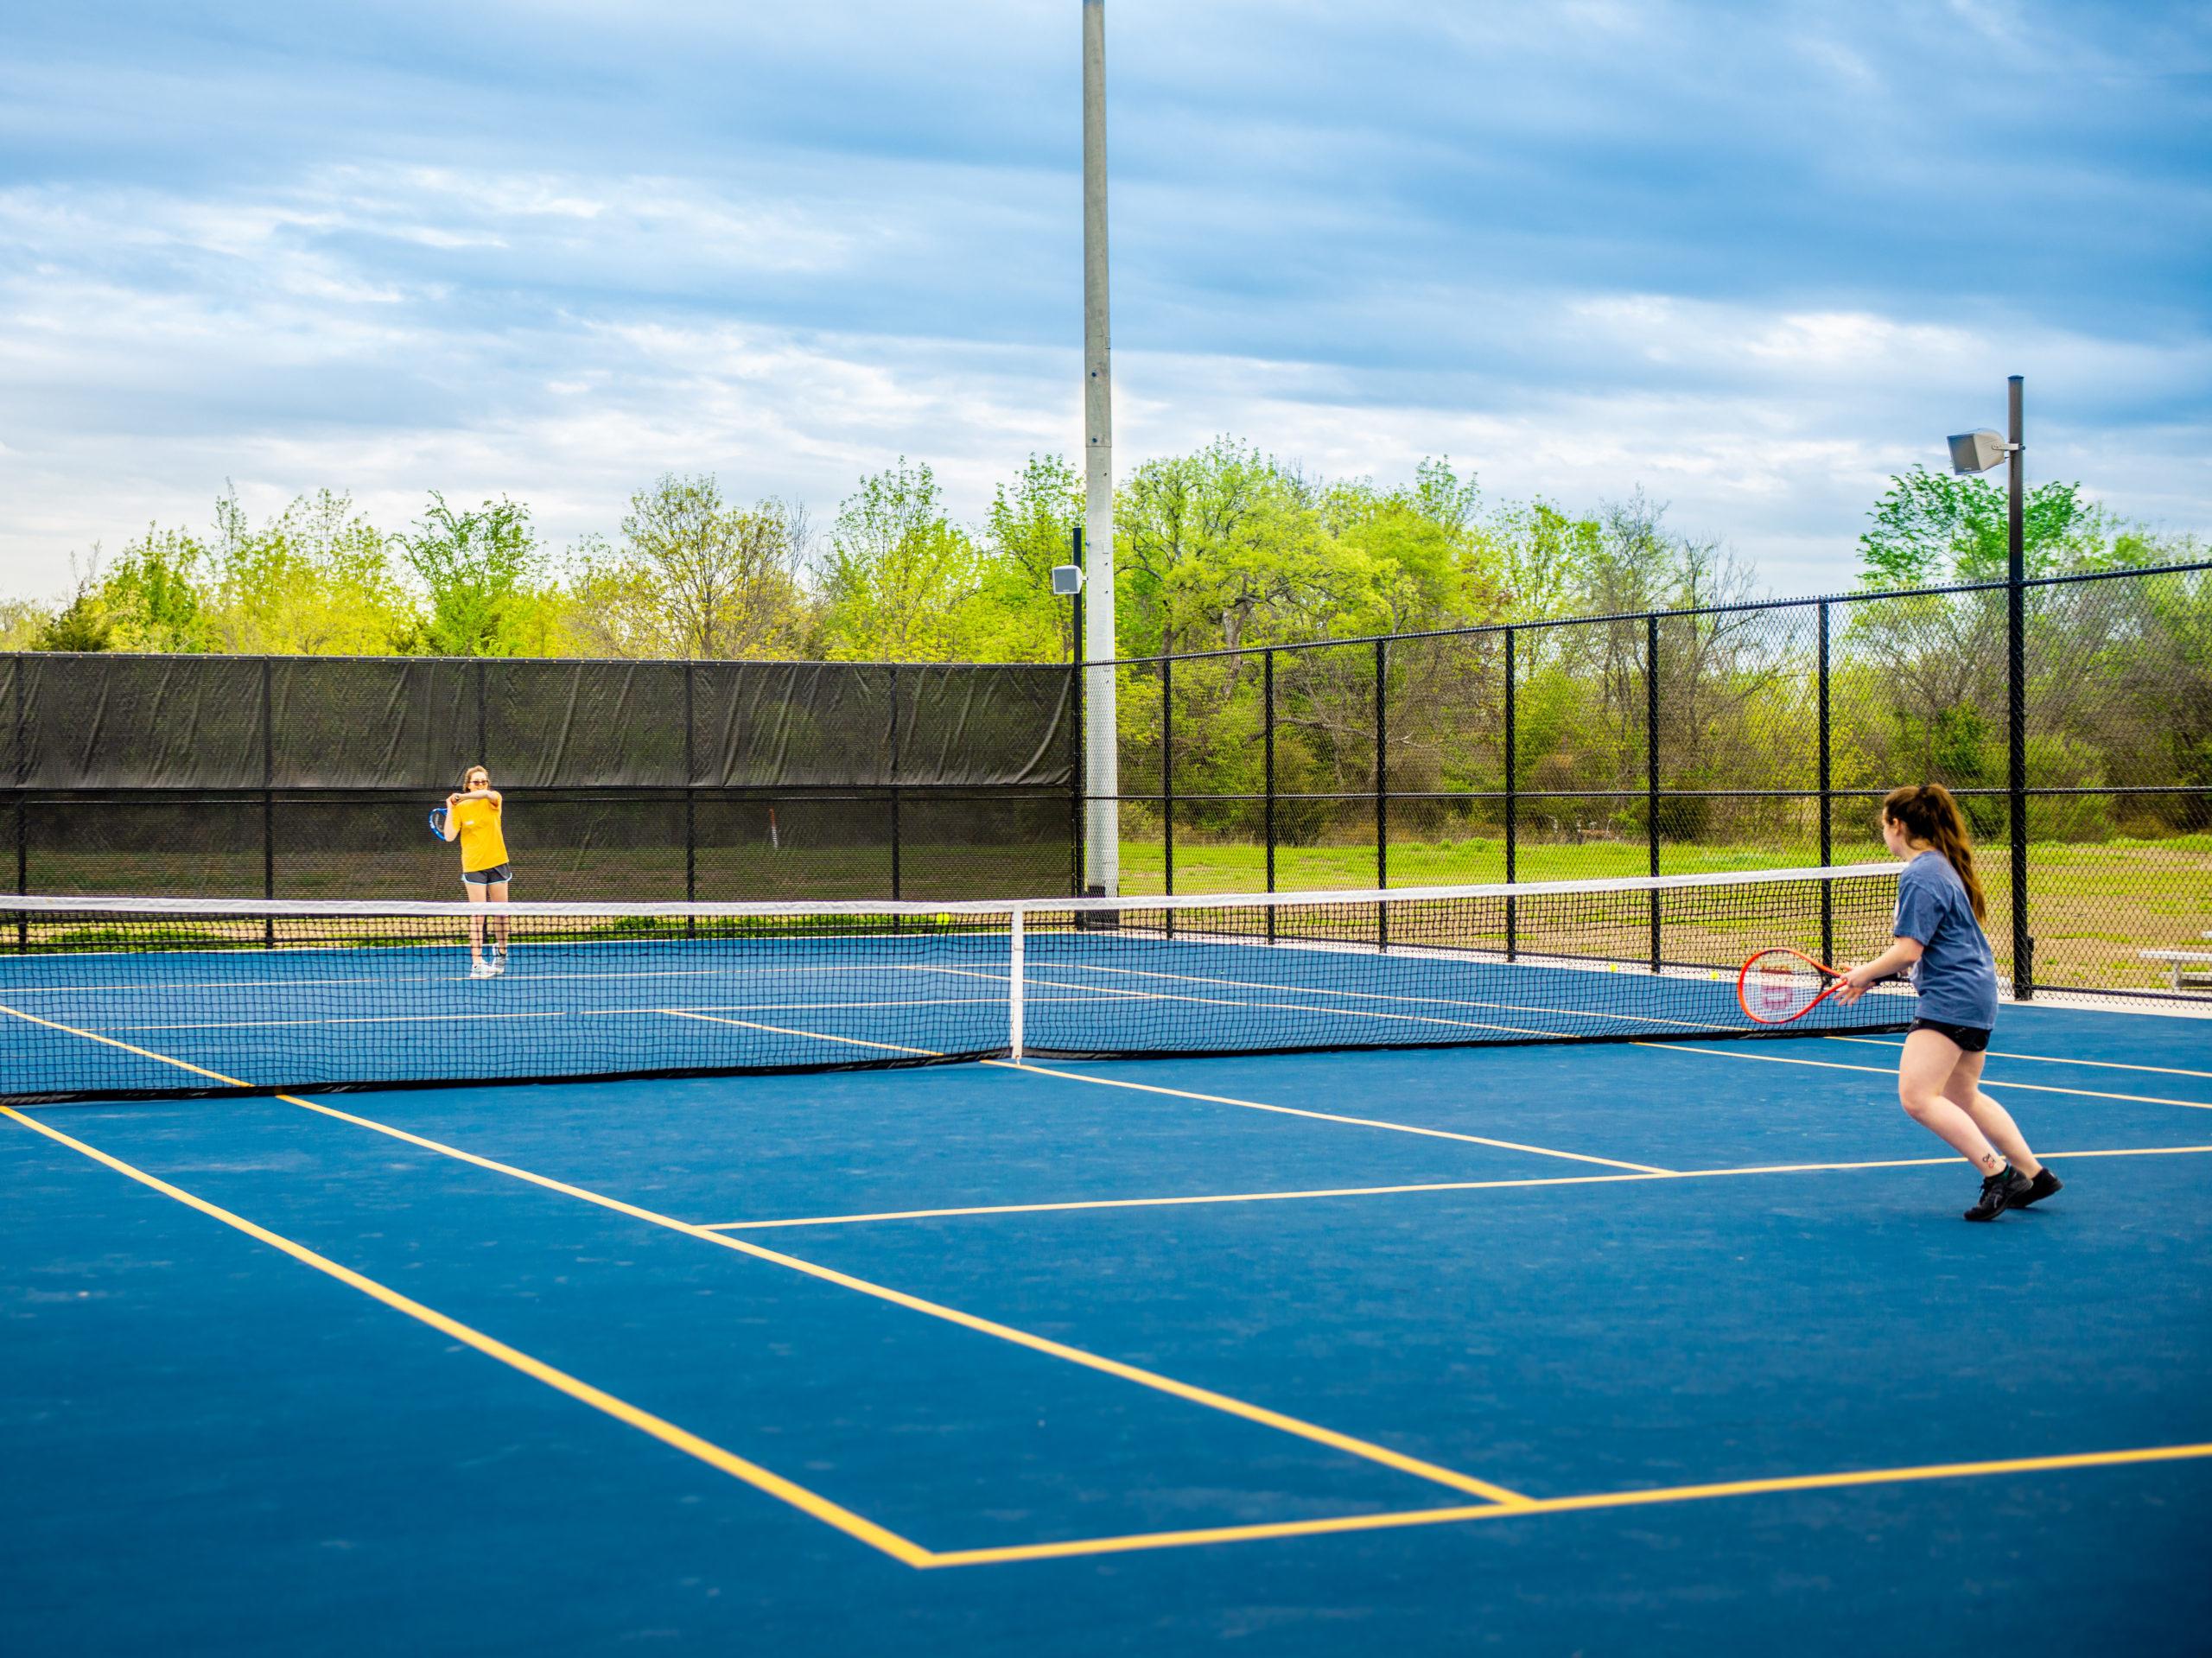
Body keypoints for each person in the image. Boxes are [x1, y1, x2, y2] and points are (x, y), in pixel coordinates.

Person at [1834, 782, 2061, 1222]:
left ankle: (1999, 1175)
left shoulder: (1920, 874)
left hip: (1953, 998)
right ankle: (2034, 1175)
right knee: (1961, 1092)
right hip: (1976, 993)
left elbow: (1909, 951)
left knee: (1917, 1097)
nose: (1883, 831)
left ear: (1896, 825)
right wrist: (1872, 977)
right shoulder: (1941, 867)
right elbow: (1927, 950)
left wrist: (1865, 972)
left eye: (1883, 823)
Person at [440, 765, 512, 979]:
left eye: (483, 781)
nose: (481, 785)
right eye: (476, 782)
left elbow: (487, 794)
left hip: (498, 862)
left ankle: (501, 952)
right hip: (473, 866)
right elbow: (449, 836)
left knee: (502, 914)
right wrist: (452, 808)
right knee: (478, 914)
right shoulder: (459, 808)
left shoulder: (493, 799)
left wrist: (460, 797)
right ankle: (477, 964)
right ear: (468, 785)